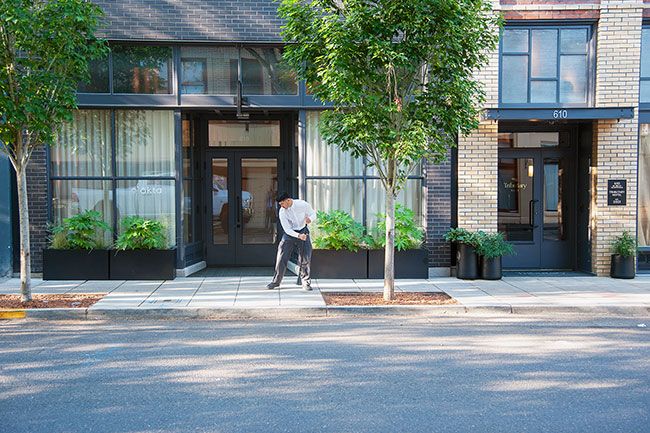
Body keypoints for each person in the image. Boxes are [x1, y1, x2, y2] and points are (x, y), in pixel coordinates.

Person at [266, 193, 316, 291]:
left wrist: (310, 219)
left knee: (305, 256)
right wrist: (298, 236)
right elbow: (287, 230)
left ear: (288, 200)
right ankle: (276, 281)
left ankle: (305, 281)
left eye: (282, 203)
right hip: (290, 234)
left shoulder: (302, 204)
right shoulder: (282, 212)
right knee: (281, 256)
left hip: (303, 230)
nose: (281, 206)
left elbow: (313, 213)